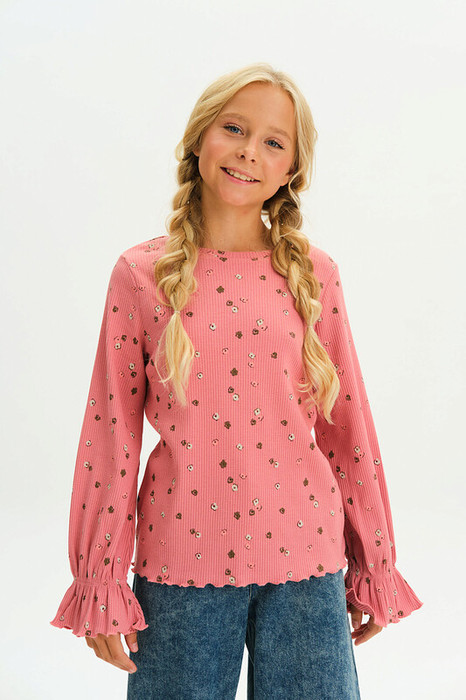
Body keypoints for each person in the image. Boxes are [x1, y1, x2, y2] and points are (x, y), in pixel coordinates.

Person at [50, 62, 423, 699]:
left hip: (307, 564)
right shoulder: (139, 275)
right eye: (234, 128)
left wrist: (374, 561)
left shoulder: (315, 276)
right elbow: (109, 436)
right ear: (200, 137)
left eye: (274, 142)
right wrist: (99, 577)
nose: (250, 151)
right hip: (179, 567)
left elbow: (347, 427)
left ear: (291, 171)